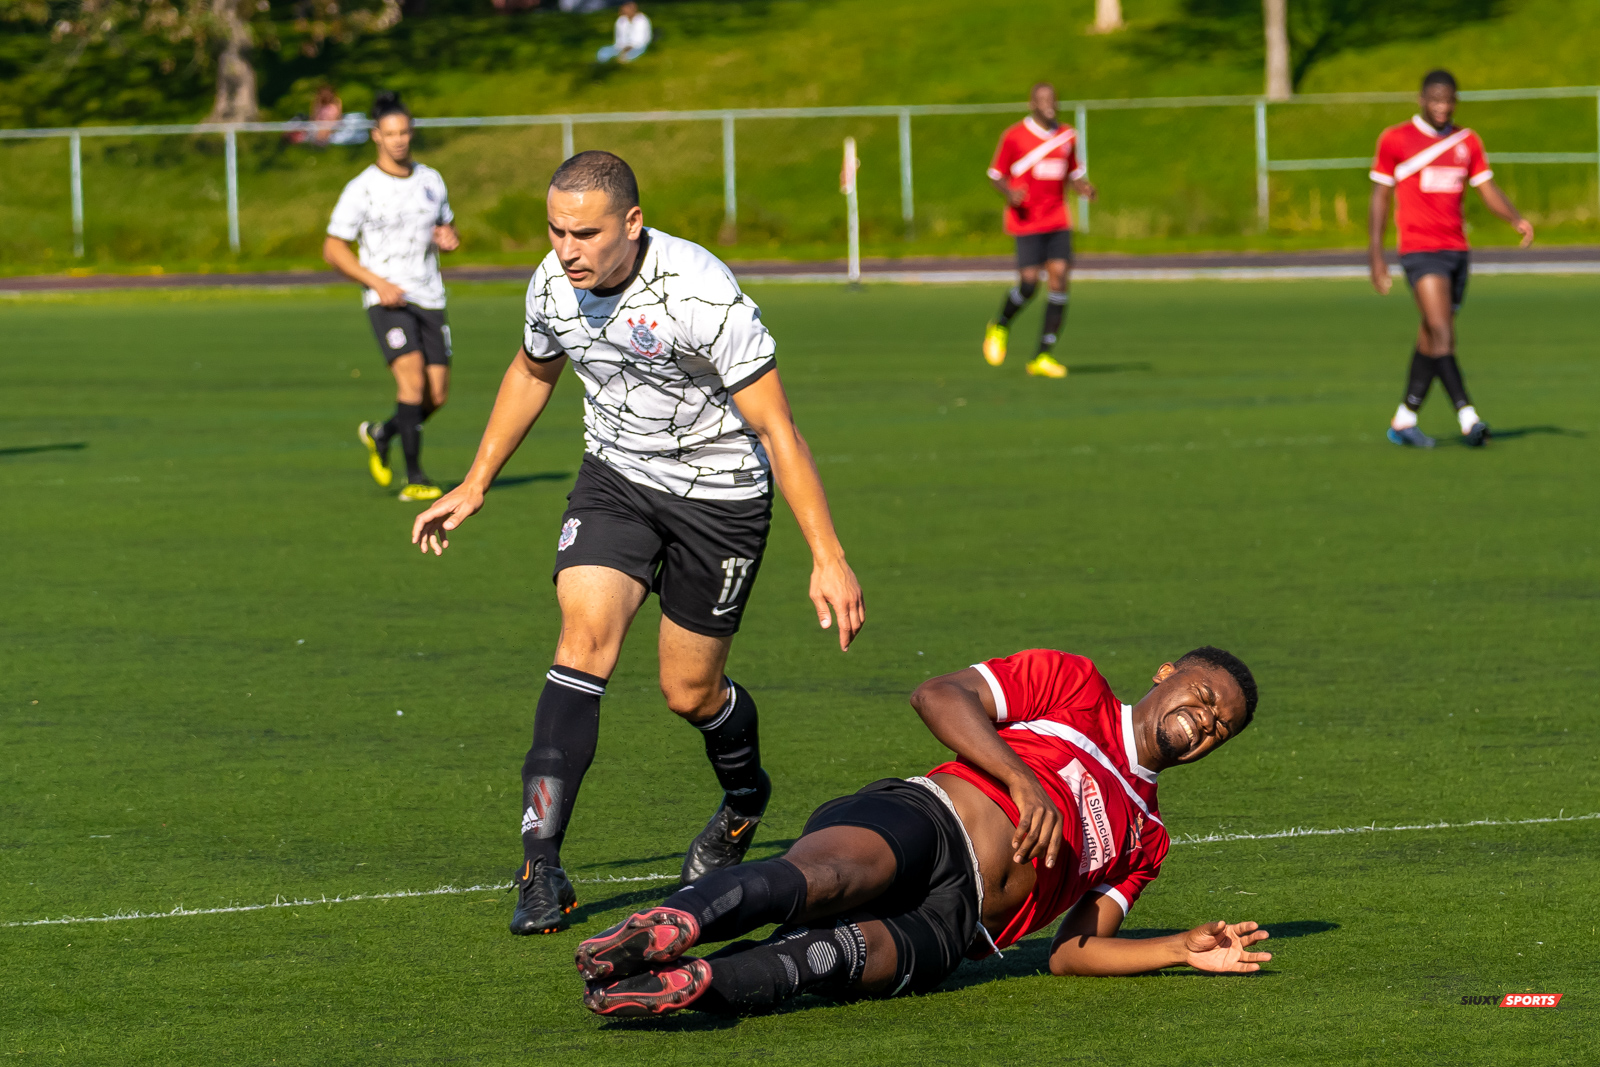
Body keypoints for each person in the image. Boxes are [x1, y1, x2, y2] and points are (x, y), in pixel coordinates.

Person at [409, 151, 865, 937]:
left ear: (631, 222)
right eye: (555, 230)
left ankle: (744, 798)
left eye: (585, 233)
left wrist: (828, 555)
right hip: (616, 481)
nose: (566, 250)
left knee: (689, 692)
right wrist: (476, 480)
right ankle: (541, 866)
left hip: (720, 498)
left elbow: (777, 428)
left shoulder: (700, 290)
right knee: (582, 641)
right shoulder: (552, 284)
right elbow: (532, 370)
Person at [576, 644, 1268, 1016]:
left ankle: (684, 983)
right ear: (1167, 673)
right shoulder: (1074, 683)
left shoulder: (1148, 836)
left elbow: (1072, 951)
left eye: (1222, 726)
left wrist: (1179, 948)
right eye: (1204, 696)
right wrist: (1021, 778)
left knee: (827, 959)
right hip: (930, 820)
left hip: (953, 924)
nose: (1206, 720)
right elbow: (938, 693)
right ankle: (667, 924)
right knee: (827, 879)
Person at [1368, 69, 1534, 449]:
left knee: (1430, 337)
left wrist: (1514, 218)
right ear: (1422, 100)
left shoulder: (1466, 141)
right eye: (1435, 100)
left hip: (1457, 251)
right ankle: (1468, 417)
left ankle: (1404, 419)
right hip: (1419, 251)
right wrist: (1375, 255)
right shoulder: (1395, 139)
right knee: (1443, 333)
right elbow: (1380, 197)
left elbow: (1486, 187)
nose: (1442, 107)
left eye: (1449, 101)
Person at [324, 91, 461, 502]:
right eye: (390, 133)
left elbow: (446, 227)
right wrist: (376, 282)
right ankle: (415, 478)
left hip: (429, 296)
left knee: (436, 395)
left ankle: (382, 434)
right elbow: (333, 248)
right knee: (412, 382)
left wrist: (449, 238)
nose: (398, 140)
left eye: (404, 132)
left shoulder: (431, 180)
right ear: (376, 136)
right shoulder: (362, 189)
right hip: (387, 300)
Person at [982, 82, 1096, 380]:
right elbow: (995, 175)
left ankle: (1042, 356)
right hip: (1027, 220)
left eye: (1053, 99)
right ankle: (1000, 325)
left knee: (1059, 277)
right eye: (1043, 100)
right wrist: (1009, 193)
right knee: (1029, 283)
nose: (1049, 105)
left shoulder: (1067, 136)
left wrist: (1082, 186)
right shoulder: (1014, 136)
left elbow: (1072, 172)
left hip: (1057, 218)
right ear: (1031, 104)